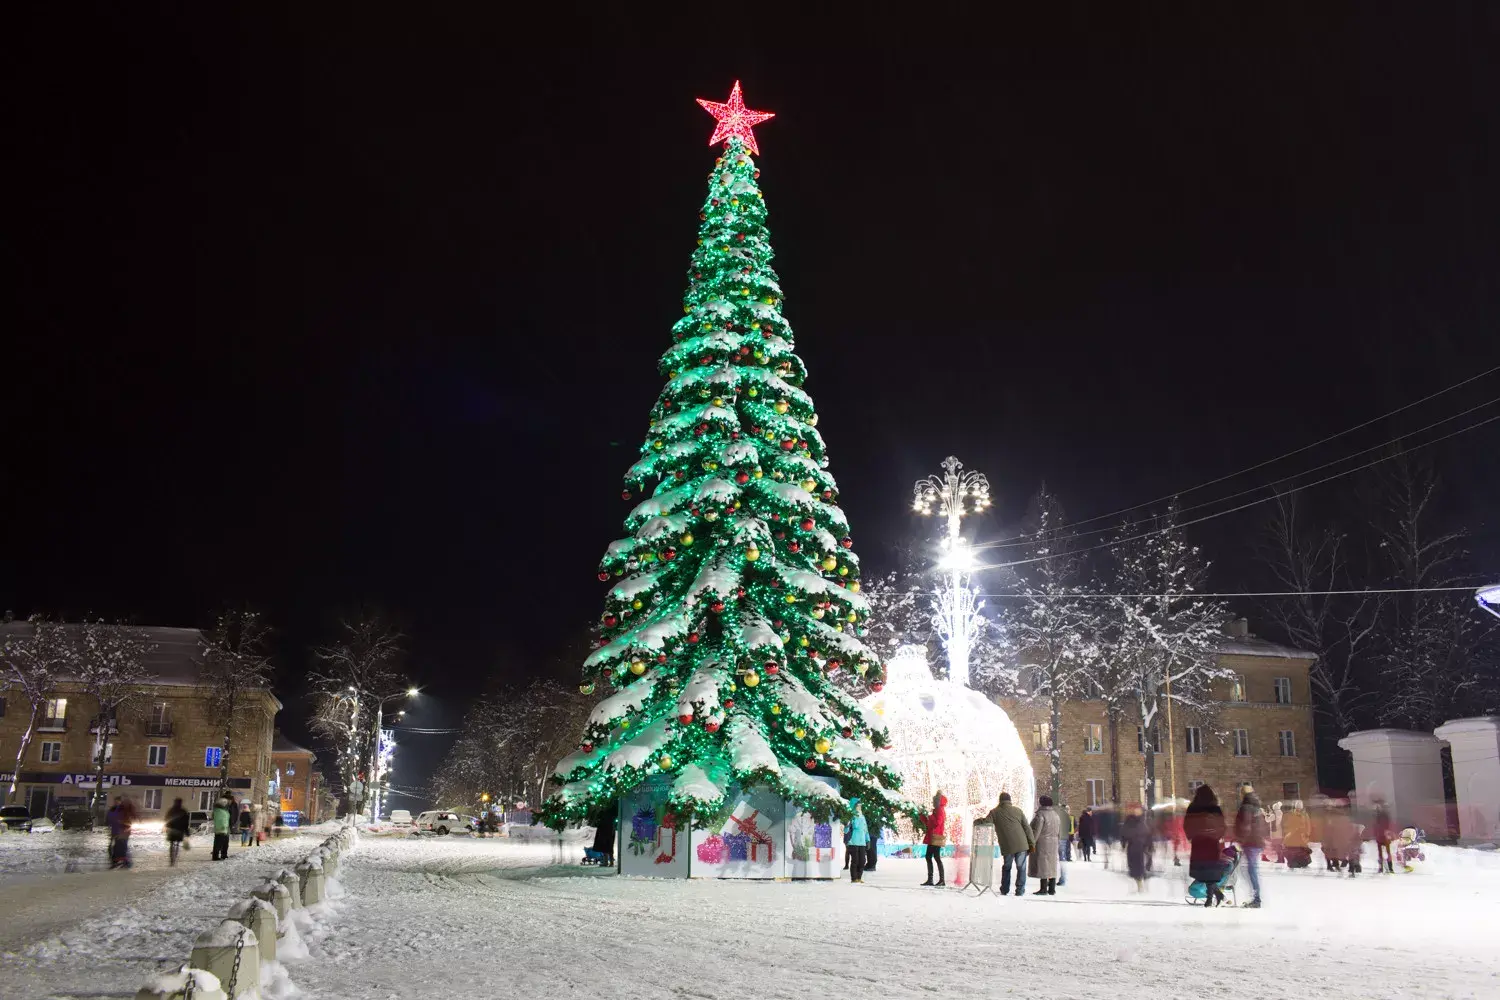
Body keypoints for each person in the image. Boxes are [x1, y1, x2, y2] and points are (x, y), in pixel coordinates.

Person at [1184, 783, 1228, 907]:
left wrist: (1191, 837)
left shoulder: (1193, 807)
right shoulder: (1215, 808)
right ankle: (1215, 896)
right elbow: (1222, 825)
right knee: (1210, 872)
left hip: (1198, 842)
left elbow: (1187, 824)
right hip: (1211, 843)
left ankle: (1212, 898)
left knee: (1202, 872)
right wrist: (1218, 836)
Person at [989, 791, 1034, 896]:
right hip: (1022, 844)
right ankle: (1020, 890)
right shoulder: (1018, 810)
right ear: (1010, 800)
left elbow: (986, 821)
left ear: (1000, 801)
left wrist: (977, 821)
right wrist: (1032, 843)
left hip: (1008, 846)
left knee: (1007, 867)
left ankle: (1004, 889)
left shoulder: (994, 812)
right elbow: (1027, 828)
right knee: (1021, 867)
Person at [1234, 784, 1267, 908]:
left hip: (1250, 842)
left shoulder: (1246, 807)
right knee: (1250, 870)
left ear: (1242, 794)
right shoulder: (1256, 806)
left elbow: (1246, 826)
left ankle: (1256, 898)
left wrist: (1241, 840)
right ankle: (1255, 896)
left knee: (1250, 870)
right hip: (1257, 841)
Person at [1030, 794, 1061, 895]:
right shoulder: (1056, 815)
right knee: (1052, 865)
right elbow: (1059, 831)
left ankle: (1043, 889)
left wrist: (1032, 842)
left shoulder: (1041, 815)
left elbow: (1036, 831)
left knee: (1043, 865)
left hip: (1043, 843)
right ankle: (1052, 888)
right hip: (1054, 843)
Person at [1120, 803, 1153, 891]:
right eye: (1136, 810)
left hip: (1141, 847)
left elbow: (1148, 834)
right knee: (1133, 866)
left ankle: (1140, 883)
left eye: (1139, 810)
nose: (1137, 812)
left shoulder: (1143, 820)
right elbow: (1124, 833)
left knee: (1140, 865)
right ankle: (1139, 883)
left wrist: (1149, 845)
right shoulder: (1129, 821)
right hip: (1132, 846)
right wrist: (1123, 843)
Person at [920, 791, 947, 887]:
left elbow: (937, 823)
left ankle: (941, 880)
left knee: (936, 857)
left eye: (935, 800)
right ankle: (932, 880)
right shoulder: (937, 810)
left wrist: (930, 816)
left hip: (936, 837)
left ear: (939, 801)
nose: (933, 802)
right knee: (930, 857)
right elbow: (929, 823)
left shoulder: (940, 810)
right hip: (933, 836)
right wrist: (922, 816)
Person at [106, 796, 136, 869]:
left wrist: (123, 825)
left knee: (122, 847)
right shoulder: (113, 809)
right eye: (115, 801)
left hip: (123, 832)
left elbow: (129, 820)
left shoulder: (124, 809)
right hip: (114, 831)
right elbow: (109, 819)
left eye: (118, 801)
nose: (116, 803)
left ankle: (126, 862)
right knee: (112, 847)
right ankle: (115, 862)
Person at [1280, 802, 1312, 868]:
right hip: (1293, 835)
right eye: (1297, 808)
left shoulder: (1305, 814)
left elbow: (1308, 824)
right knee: (1293, 849)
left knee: (1302, 850)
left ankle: (1303, 862)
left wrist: (1307, 833)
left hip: (1301, 835)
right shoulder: (1291, 814)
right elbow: (1287, 824)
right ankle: (1293, 862)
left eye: (1299, 808)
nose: (1298, 809)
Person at [846, 798, 870, 883]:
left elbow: (865, 829)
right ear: (854, 806)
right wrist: (856, 816)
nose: (859, 807)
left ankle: (859, 877)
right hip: (853, 841)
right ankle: (854, 878)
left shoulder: (862, 816)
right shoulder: (851, 816)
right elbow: (854, 826)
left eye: (860, 806)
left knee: (862, 860)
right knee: (855, 860)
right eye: (858, 806)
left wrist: (868, 840)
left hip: (862, 842)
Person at [1372, 798, 1396, 874]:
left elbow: (1377, 826)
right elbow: (1387, 826)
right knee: (1387, 852)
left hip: (1381, 836)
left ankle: (1381, 868)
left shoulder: (1380, 816)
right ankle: (1390, 868)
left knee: (1381, 853)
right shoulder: (1385, 816)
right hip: (1384, 835)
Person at [164, 797, 190, 865]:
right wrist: (187, 832)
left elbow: (166, 819)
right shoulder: (183, 811)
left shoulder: (171, 810)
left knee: (171, 843)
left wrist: (167, 827)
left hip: (172, 830)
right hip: (179, 830)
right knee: (177, 844)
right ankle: (175, 856)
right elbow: (186, 822)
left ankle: (171, 858)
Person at [211, 796, 232, 860]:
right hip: (221, 829)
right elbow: (221, 820)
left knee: (224, 843)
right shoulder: (219, 811)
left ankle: (223, 855)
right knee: (218, 843)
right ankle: (215, 856)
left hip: (224, 829)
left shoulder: (222, 810)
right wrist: (223, 827)